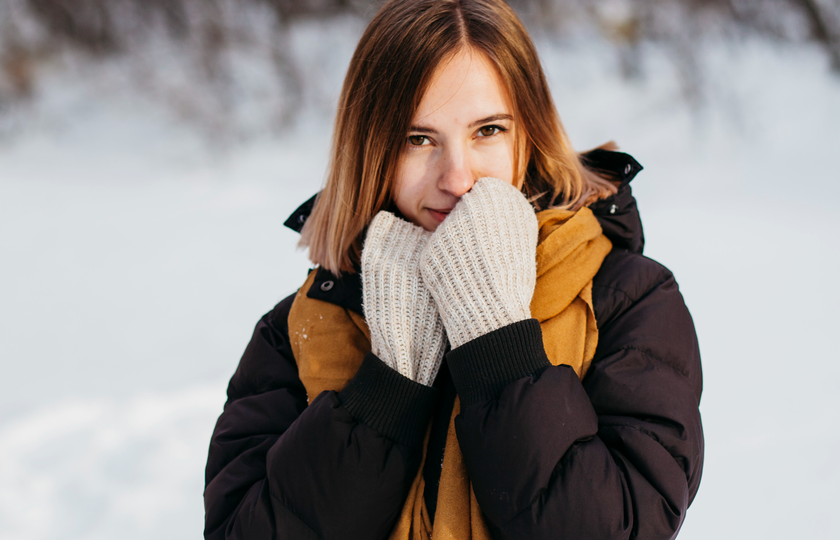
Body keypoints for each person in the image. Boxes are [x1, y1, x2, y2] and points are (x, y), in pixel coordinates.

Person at [204, 0, 704, 539]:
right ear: (371, 151)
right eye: (418, 139)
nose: (457, 177)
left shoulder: (627, 298)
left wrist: (497, 342)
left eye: (487, 130)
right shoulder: (299, 327)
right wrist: (388, 388)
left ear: (528, 133)